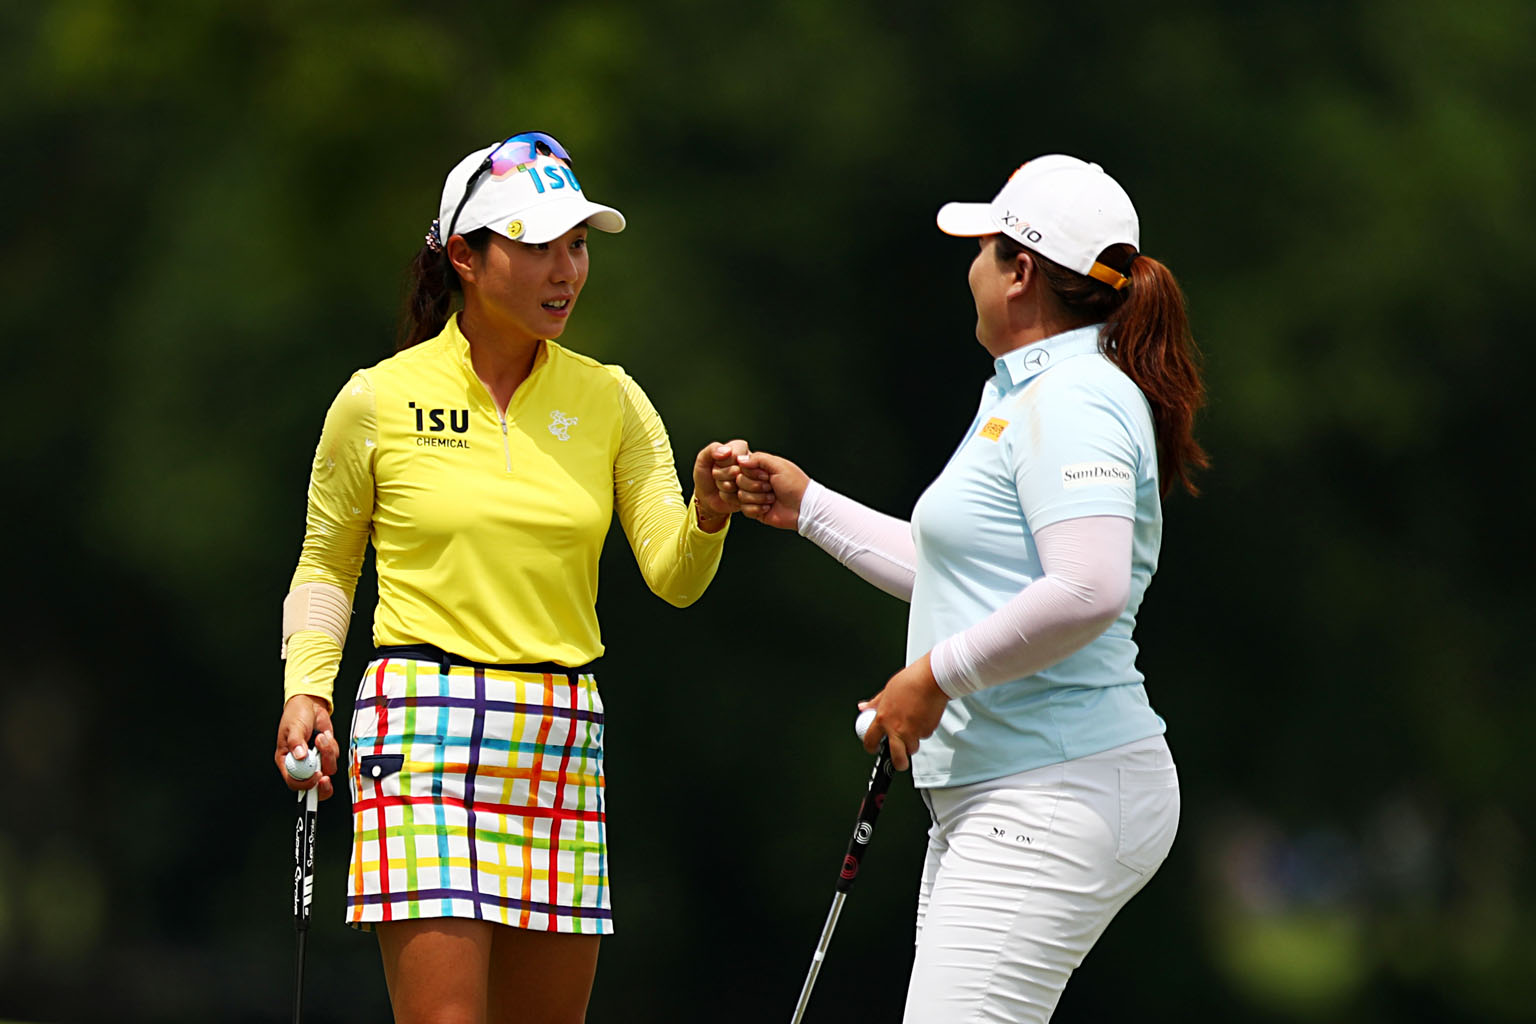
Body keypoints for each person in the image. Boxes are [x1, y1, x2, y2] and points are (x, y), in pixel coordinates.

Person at [270, 131, 747, 1024]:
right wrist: (308, 691)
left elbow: (674, 575)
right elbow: (326, 564)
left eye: (577, 245)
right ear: (465, 256)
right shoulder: (377, 398)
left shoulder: (610, 398)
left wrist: (710, 514)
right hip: (420, 725)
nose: (565, 269)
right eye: (535, 246)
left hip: (560, 731)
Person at [724, 155, 1208, 1022]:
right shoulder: (1026, 393)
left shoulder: (1074, 399)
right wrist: (809, 509)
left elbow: (1088, 587)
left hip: (1061, 786)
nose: (971, 267)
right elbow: (966, 578)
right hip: (1009, 789)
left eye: (983, 247)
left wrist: (933, 676)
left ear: (1021, 271)